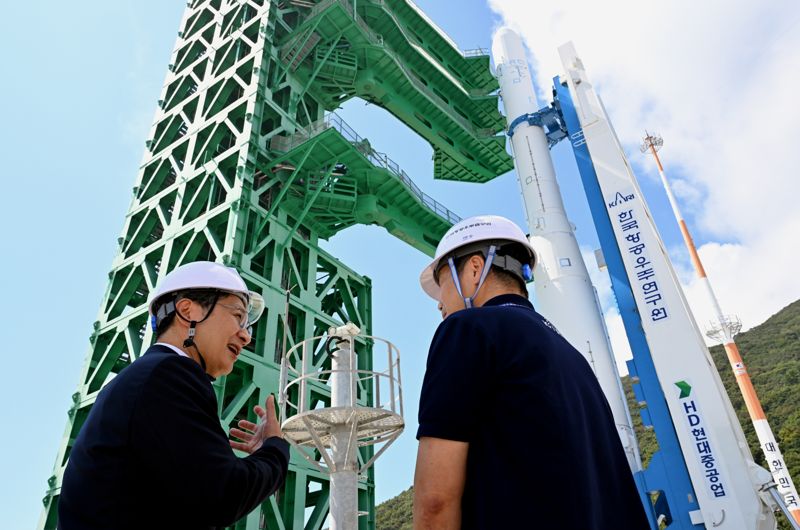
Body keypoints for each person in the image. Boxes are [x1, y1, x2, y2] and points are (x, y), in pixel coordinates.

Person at [413, 215, 649, 529]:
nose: (439, 304)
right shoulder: (574, 359)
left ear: (474, 268)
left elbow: (435, 502)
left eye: (442, 285)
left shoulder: (467, 330)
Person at [59, 261, 290, 529]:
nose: (246, 336)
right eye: (237, 316)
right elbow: (222, 494)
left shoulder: (144, 376)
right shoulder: (169, 374)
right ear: (187, 311)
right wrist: (275, 450)